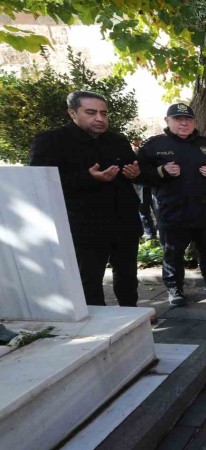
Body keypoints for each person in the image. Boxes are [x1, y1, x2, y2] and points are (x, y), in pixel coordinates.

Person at [30, 90, 142, 307]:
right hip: (85, 226)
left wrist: (135, 173)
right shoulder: (51, 141)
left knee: (127, 276)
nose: (99, 118)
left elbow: (134, 170)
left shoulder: (117, 140)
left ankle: (132, 314)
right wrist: (88, 178)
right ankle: (98, 321)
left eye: (104, 113)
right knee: (89, 279)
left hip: (124, 222)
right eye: (91, 113)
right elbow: (40, 182)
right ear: (72, 113)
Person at [137, 103, 206, 306]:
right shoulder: (154, 146)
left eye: (188, 119)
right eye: (178, 119)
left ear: (194, 122)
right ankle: (175, 289)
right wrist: (161, 171)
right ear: (167, 121)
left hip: (204, 211)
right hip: (172, 211)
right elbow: (139, 176)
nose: (183, 123)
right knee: (173, 254)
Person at [132, 137, 158, 240]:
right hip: (140, 188)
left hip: (152, 187)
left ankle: (158, 232)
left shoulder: (154, 156)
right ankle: (151, 235)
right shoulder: (134, 156)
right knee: (143, 212)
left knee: (158, 210)